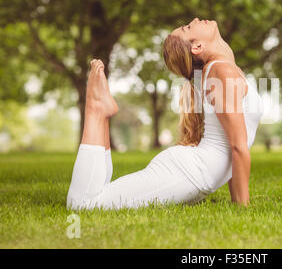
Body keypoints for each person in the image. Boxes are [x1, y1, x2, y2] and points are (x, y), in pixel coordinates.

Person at [67, 18, 264, 210]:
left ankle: (102, 113)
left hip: (193, 172)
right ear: (197, 47)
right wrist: (242, 207)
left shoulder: (224, 69)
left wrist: (238, 199)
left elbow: (235, 146)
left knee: (96, 198)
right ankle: (95, 109)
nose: (195, 19)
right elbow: (237, 146)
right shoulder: (222, 71)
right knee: (83, 205)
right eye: (188, 27)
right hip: (187, 172)